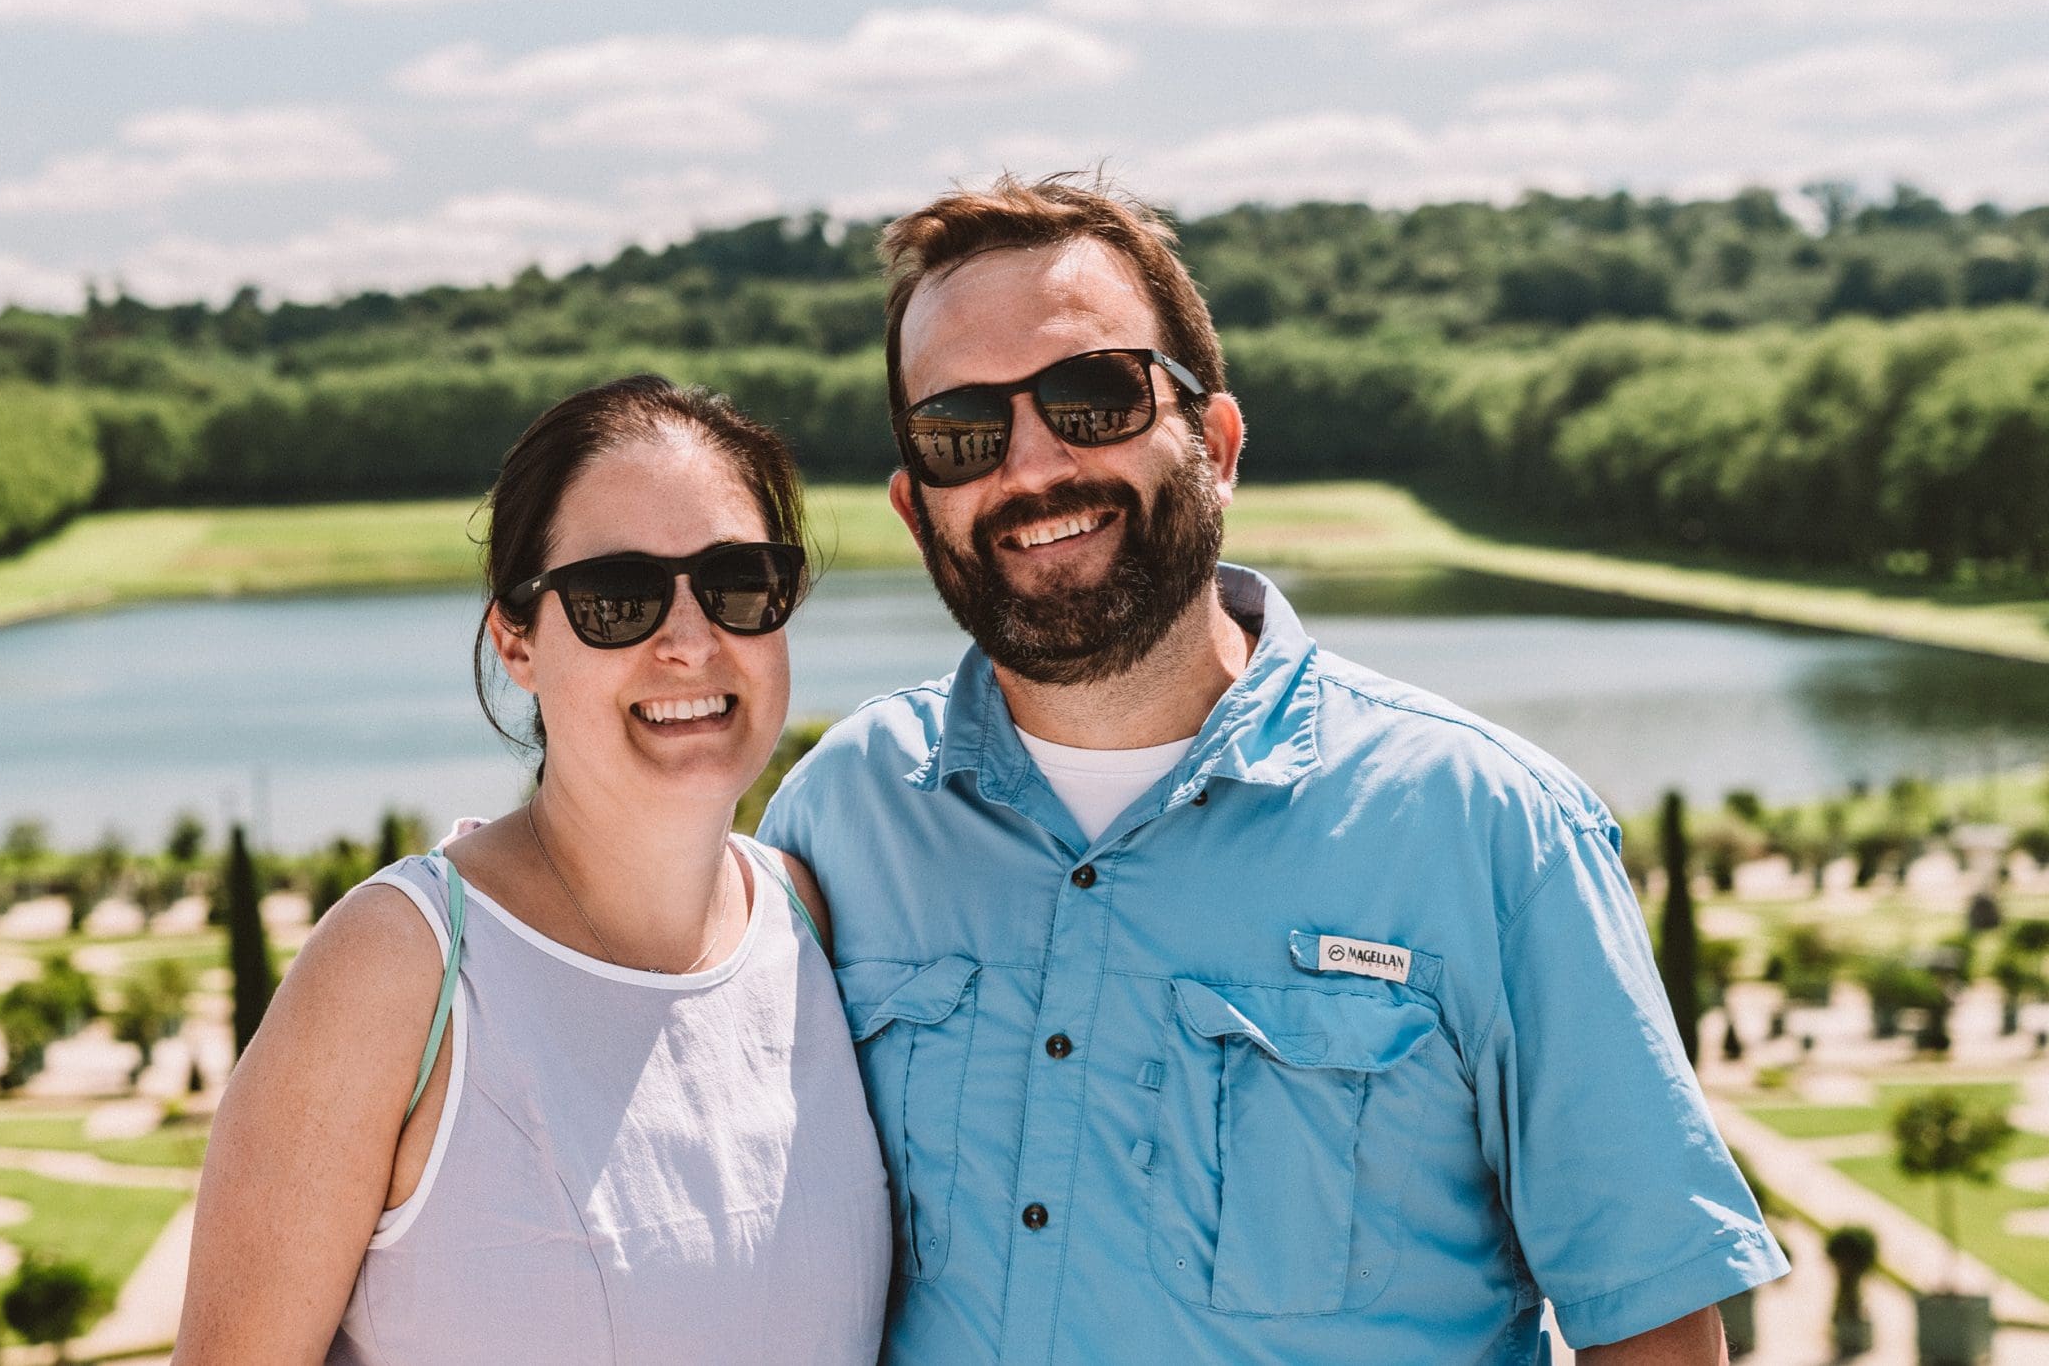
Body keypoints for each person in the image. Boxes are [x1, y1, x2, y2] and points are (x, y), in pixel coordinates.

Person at [758, 176, 1788, 1365]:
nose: (1032, 466)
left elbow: (1652, 1328)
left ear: (1218, 444)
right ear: (913, 505)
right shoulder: (841, 814)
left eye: (1093, 396)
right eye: (961, 432)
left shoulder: (1489, 828)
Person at [179, 375, 889, 1366]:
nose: (688, 642)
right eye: (617, 599)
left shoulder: (808, 920)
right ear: (515, 638)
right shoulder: (401, 971)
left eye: (737, 581)